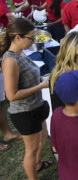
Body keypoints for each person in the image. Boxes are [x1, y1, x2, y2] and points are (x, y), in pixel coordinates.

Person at [0, 18, 51, 179]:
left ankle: (37, 165)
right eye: (31, 38)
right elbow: (11, 95)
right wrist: (40, 86)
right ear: (18, 38)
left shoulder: (19, 53)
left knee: (42, 139)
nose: (34, 41)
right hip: (25, 112)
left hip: (36, 106)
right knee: (31, 150)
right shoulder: (10, 61)